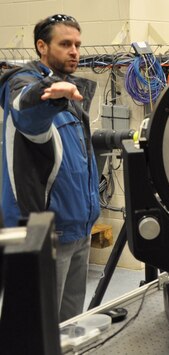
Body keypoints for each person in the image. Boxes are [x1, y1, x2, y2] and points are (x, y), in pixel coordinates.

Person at [0, 14, 100, 322]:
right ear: (42, 46)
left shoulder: (71, 91)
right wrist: (50, 95)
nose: (74, 52)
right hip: (43, 231)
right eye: (65, 44)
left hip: (79, 228)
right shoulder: (25, 84)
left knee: (70, 324)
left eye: (78, 45)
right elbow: (25, 109)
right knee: (34, 328)